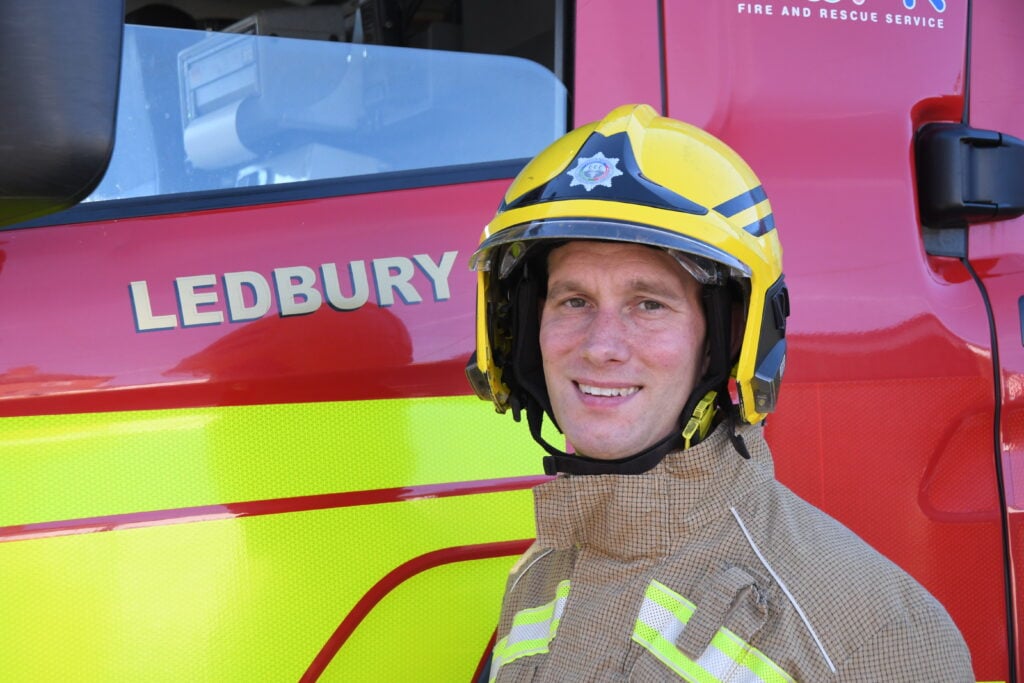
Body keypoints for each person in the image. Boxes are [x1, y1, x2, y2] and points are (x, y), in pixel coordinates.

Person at [466, 104, 974, 681]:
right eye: (573, 301)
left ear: (727, 340)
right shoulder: (540, 571)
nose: (601, 346)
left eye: (649, 303)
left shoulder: (872, 639)